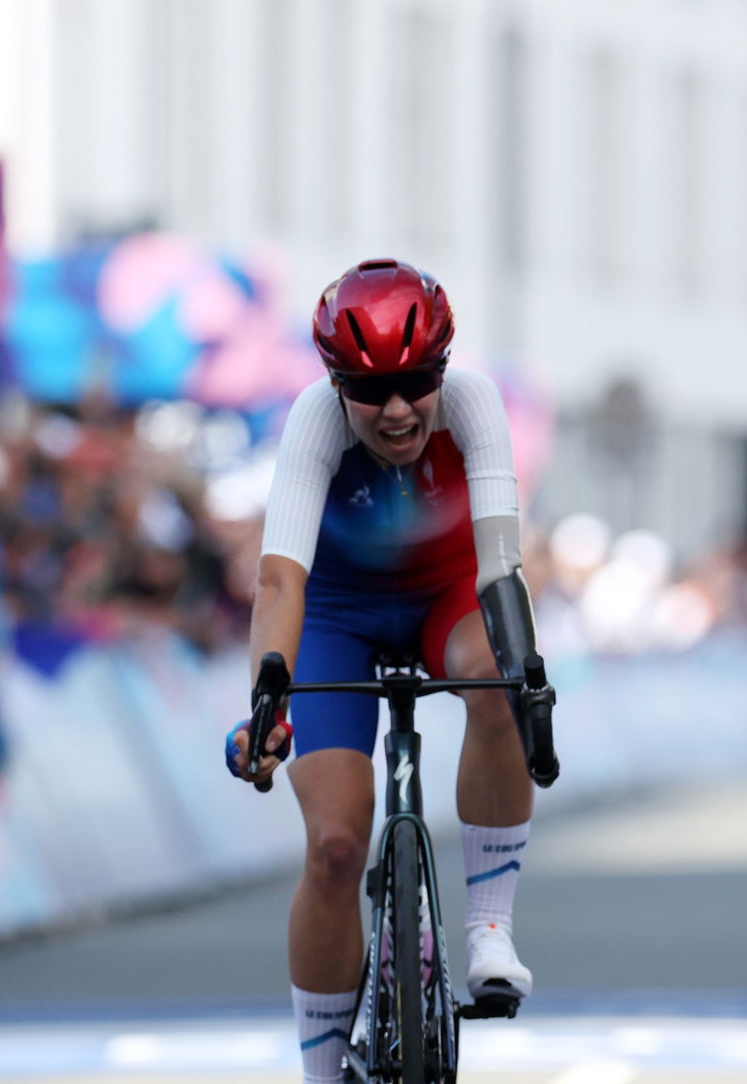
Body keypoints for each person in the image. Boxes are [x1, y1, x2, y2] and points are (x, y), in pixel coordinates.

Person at [226, 260, 547, 1084]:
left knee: (496, 680)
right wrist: (266, 702)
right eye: (372, 391)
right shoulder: (313, 420)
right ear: (335, 384)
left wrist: (526, 677)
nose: (399, 409)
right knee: (335, 845)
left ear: (443, 368)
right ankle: (322, 1071)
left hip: (449, 595)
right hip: (339, 612)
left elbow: (501, 567)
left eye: (416, 381)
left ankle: (487, 929)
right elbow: (280, 580)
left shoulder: (474, 404)